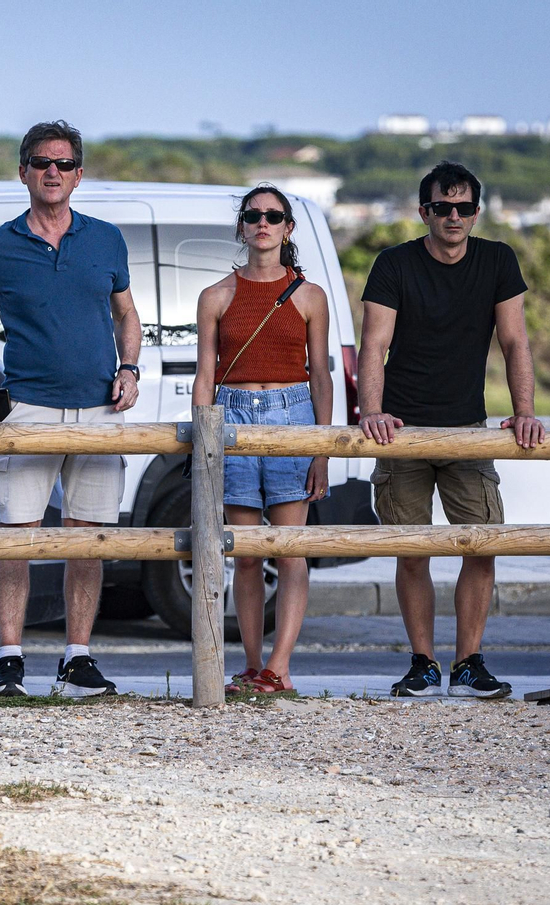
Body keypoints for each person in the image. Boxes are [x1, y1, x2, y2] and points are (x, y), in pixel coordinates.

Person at [0, 119, 142, 698]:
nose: (53, 172)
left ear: (79, 174)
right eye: (42, 163)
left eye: (64, 164)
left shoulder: (106, 239)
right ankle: (10, 659)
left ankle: (78, 658)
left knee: (87, 538)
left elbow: (127, 313)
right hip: (27, 408)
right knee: (15, 537)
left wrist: (130, 368)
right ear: (23, 172)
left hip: (99, 410)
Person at [357, 160, 544, 699]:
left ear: (476, 212)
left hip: (468, 428)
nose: (454, 217)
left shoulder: (497, 260)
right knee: (412, 549)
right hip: (402, 428)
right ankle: (423, 664)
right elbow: (374, 345)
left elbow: (515, 342)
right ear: (425, 211)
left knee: (481, 544)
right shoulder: (393, 263)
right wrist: (372, 410)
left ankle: (469, 663)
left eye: (464, 208)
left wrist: (524, 411)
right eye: (443, 208)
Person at [193, 185, 332, 695]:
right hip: (230, 417)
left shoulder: (310, 296)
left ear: (288, 228)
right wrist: (203, 441)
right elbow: (205, 374)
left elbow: (321, 374)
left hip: (293, 415)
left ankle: (280, 667)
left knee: (290, 550)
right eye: (253, 215)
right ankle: (252, 666)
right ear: (242, 227)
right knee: (246, 553)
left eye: (273, 216)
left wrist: (321, 446)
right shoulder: (216, 296)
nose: (263, 223)